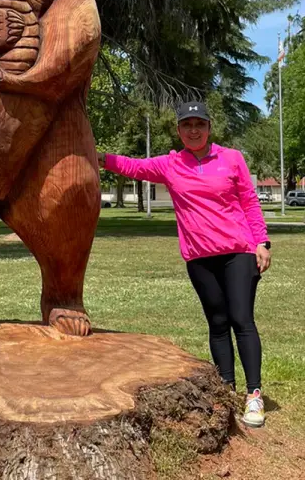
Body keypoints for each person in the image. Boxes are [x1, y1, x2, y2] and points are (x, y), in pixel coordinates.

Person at [99, 101, 271, 427]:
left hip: (238, 252)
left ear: (209, 128)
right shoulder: (170, 164)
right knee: (217, 324)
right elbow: (132, 167)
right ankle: (227, 392)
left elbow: (249, 199)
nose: (194, 130)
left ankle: (253, 396)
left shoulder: (231, 158)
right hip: (199, 257)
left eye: (200, 124)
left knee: (241, 319)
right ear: (178, 130)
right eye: (187, 125)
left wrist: (262, 242)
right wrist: (100, 158)